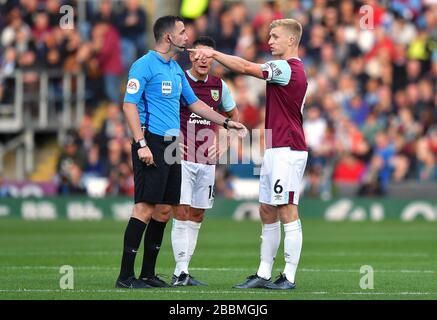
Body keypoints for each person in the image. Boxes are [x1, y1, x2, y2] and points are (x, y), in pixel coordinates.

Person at [115, 15, 247, 289]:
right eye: (182, 32)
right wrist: (141, 143)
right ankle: (126, 277)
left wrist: (225, 122)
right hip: (152, 141)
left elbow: (195, 103)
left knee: (163, 212)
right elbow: (129, 106)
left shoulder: (174, 69)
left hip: (172, 147)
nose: (187, 37)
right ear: (168, 37)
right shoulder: (143, 65)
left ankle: (148, 274)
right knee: (144, 208)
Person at [190, 18, 308, 290]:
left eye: (275, 36)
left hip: (288, 149)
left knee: (287, 209)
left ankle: (288, 277)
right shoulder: (286, 68)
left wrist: (214, 54)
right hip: (275, 147)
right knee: (267, 209)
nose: (269, 41)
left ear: (291, 40)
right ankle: (264, 274)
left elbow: (244, 67)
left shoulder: (288, 68)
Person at [153, 36, 240, 286]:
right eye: (199, 54)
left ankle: (184, 271)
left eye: (208, 55)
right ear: (191, 55)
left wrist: (224, 142)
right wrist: (170, 140)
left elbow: (233, 115)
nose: (203, 59)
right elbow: (160, 109)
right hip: (180, 157)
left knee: (198, 214)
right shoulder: (178, 79)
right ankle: (180, 272)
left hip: (206, 160)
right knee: (180, 210)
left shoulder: (219, 86)